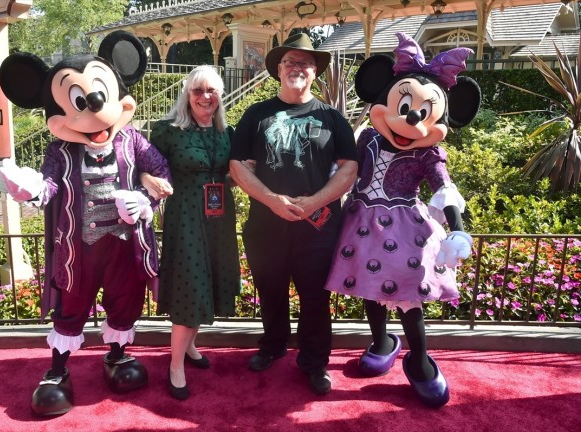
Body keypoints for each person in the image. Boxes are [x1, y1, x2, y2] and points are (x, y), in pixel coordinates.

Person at [0, 31, 173, 416]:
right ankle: (58, 370)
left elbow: (162, 173)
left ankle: (117, 355)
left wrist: (145, 200)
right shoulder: (60, 150)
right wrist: (28, 188)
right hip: (78, 249)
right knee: (71, 306)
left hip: (124, 246)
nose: (93, 112)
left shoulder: (132, 140)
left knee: (125, 300)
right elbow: (48, 187)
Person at [324, 33, 481, 407]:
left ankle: (420, 361)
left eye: (424, 112)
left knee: (409, 295)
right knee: (369, 288)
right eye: (406, 105)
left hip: (405, 227)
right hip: (361, 223)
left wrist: (458, 229)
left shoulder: (429, 154)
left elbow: (444, 187)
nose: (411, 117)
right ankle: (381, 342)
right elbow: (346, 172)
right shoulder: (368, 139)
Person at [229, 33, 359, 395]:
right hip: (266, 226)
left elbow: (349, 169)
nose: (297, 68)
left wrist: (315, 201)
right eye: (290, 62)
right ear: (279, 70)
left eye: (305, 63)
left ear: (315, 71)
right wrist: (272, 200)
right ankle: (273, 346)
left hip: (317, 228)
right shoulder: (257, 114)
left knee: (315, 298)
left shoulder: (332, 118)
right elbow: (239, 166)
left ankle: (314, 361)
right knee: (270, 291)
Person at [144, 65, 241, 401]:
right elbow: (141, 165)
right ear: (187, 94)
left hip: (219, 218)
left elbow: (233, 172)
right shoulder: (169, 131)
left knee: (208, 283)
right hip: (185, 216)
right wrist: (148, 181)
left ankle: (190, 346)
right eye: (198, 90)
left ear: (220, 95)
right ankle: (175, 366)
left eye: (212, 90)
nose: (205, 97)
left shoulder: (226, 133)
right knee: (190, 286)